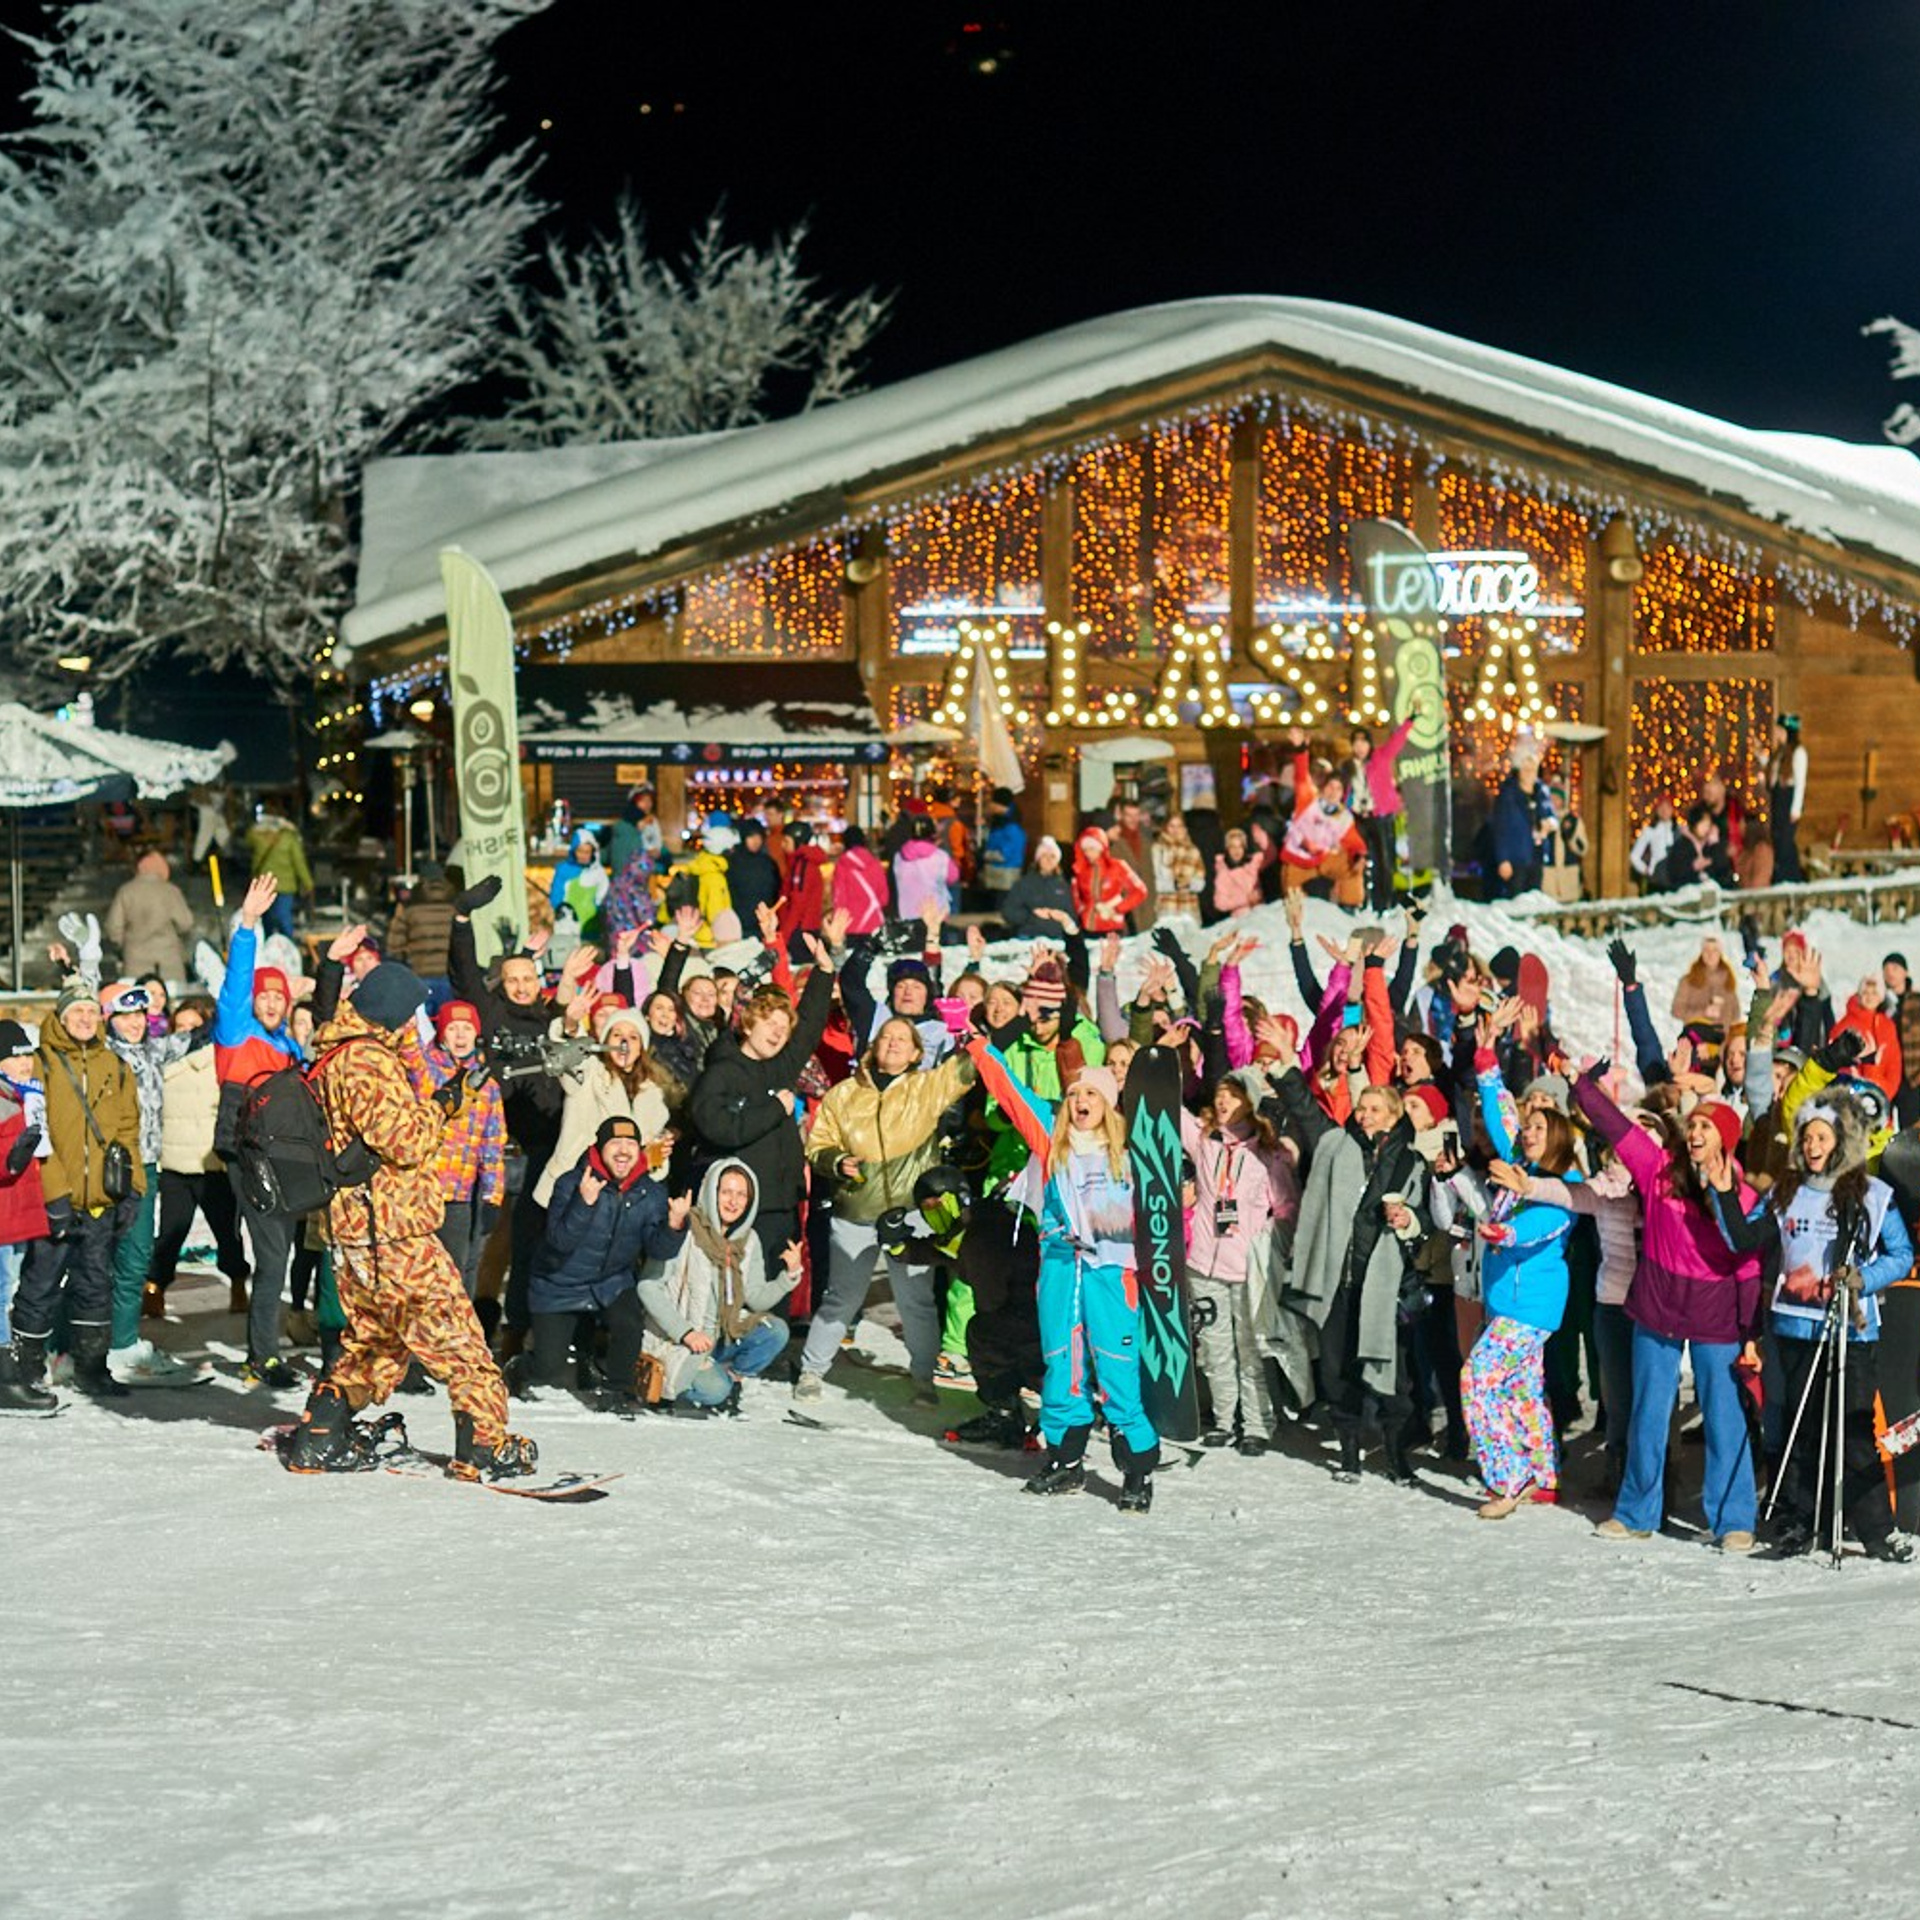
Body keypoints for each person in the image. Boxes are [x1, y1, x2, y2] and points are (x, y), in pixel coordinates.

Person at [285, 962, 536, 1480]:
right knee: (463, 1343)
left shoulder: (336, 1053)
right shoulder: (366, 1062)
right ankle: (484, 1447)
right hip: (394, 1231)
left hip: (357, 1233)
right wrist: (444, 1106)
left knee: (373, 1343)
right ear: (396, 1014)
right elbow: (405, 1140)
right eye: (412, 1014)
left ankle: (321, 1434)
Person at [1710, 1092, 1913, 1560]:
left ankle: (1877, 1532)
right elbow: (1744, 1239)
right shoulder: (1786, 1191)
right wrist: (1723, 1193)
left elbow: (1901, 1255)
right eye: (1807, 1137)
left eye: (1822, 1136)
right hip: (1794, 1328)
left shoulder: (1873, 1194)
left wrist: (1863, 1279)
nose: (1813, 1144)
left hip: (1852, 1332)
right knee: (1802, 1432)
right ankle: (1801, 1523)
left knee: (1854, 1434)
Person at [1573, 1067, 1765, 1552]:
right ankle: (1637, 1510)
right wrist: (1580, 1086)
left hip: (1716, 1312)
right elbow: (1615, 1126)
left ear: (1726, 1140)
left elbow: (1748, 1269)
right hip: (1658, 1304)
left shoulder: (1743, 1197)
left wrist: (1750, 1332)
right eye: (1693, 1124)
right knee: (1649, 1412)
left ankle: (1734, 1518)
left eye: (1708, 1127)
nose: (1697, 1132)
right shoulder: (1659, 1169)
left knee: (1724, 1416)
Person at [963, 1044, 1160, 1511]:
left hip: (1112, 1272)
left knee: (1116, 1366)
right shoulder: (1051, 1145)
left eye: (1092, 1093)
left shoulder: (1130, 1153)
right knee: (1062, 1364)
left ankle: (1135, 1470)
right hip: (1059, 1267)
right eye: (1074, 1094)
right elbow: (1011, 1093)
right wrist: (978, 1045)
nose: (1081, 1101)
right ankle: (1066, 1461)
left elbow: (1166, 1207)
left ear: (1109, 1103)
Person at [796, 1013, 976, 1403]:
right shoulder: (843, 1094)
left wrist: (976, 1034)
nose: (893, 1042)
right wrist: (836, 1160)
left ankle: (924, 1379)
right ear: (873, 1047)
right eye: (886, 1037)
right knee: (842, 1296)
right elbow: (817, 1145)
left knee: (916, 1300)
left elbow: (967, 1068)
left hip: (912, 1214)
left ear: (915, 1053)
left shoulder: (927, 1088)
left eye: (902, 1039)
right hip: (856, 1210)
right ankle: (811, 1371)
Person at [1461, 1028, 1581, 1518]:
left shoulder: (1562, 1182)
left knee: (1479, 1378)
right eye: (1526, 1128)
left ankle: (1506, 1478)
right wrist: (1486, 1055)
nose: (1527, 1133)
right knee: (1521, 1389)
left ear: (1556, 1135)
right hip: (1505, 1302)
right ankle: (1542, 1475)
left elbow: (1547, 1223)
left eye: (1537, 1128)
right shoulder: (1516, 1164)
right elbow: (1498, 1111)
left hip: (1530, 1309)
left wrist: (1504, 1234)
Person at [9, 981, 144, 1400]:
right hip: (56, 1198)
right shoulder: (42, 1064)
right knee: (40, 1284)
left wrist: (133, 1188)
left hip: (102, 1200)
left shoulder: (116, 1067)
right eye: (76, 1012)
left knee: (94, 1285)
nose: (85, 1019)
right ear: (61, 1018)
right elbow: (38, 1135)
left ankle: (91, 1367)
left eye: (91, 1012)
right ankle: (26, 1367)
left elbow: (128, 1132)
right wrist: (54, 1195)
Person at [521, 1115, 686, 1402]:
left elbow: (659, 1251)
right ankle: (519, 1367)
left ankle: (619, 1390)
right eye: (615, 1143)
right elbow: (559, 1242)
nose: (623, 1151)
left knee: (629, 1322)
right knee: (547, 1372)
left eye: (630, 1143)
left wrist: (674, 1227)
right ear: (599, 1147)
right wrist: (583, 1204)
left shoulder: (652, 1192)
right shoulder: (571, 1183)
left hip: (610, 1281)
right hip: (560, 1283)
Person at [688, 956, 836, 1274]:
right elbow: (717, 1128)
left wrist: (824, 972)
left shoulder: (779, 1068)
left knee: (777, 1293)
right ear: (749, 1023)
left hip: (782, 1204)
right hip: (740, 1206)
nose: (778, 1034)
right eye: (771, 1025)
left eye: (783, 1030)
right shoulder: (722, 1072)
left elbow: (808, 1028)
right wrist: (773, 1109)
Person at [214, 875, 305, 1385]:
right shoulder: (235, 1031)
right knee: (272, 1256)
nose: (271, 1004)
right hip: (247, 1157)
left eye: (279, 998)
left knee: (279, 1257)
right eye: (264, 997)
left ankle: (265, 1347)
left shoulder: (291, 1050)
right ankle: (262, 1355)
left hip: (286, 1161)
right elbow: (235, 982)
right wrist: (248, 924)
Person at [1182, 1072, 1298, 1454]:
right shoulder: (1204, 1143)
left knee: (1250, 1349)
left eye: (1233, 1095)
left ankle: (1257, 1424)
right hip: (1203, 1264)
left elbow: (1286, 1208)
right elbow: (1171, 1113)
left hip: (1248, 1269)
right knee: (1214, 1349)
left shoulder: (1268, 1155)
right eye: (1219, 1094)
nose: (1223, 1101)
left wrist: (1266, 1241)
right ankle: (1223, 1419)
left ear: (1249, 1102)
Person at [100, 982, 204, 1386]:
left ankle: (123, 1340)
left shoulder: (154, 1051)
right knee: (96, 1258)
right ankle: (89, 1339)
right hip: (109, 1170)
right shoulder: (103, 1053)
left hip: (146, 1168)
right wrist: (86, 968)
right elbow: (80, 1021)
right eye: (124, 1016)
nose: (133, 1024)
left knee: (136, 1257)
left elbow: (204, 1031)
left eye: (139, 1015)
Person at [637, 1159, 800, 1412]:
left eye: (741, 1194)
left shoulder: (748, 1240)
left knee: (775, 1331)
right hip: (680, 1339)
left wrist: (788, 1277)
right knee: (714, 1390)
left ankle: (731, 1378)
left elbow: (756, 1298)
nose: (733, 1202)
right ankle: (697, 1386)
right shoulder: (685, 1229)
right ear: (712, 1192)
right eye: (726, 1192)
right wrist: (686, 1332)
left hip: (721, 1336)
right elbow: (648, 1287)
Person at [409, 1000, 506, 1301]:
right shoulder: (426, 1070)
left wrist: (493, 1195)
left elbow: (493, 1144)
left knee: (457, 1271)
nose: (460, 1036)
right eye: (453, 1028)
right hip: (421, 1189)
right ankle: (414, 1343)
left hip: (461, 1196)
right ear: (441, 1032)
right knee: (420, 1272)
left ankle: (453, 1342)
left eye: (467, 1029)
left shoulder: (487, 1085)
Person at [0, 1022, 52, 1411]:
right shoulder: (5, 1100)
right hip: (4, 1215)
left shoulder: (23, 1097)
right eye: (13, 1055)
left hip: (17, 1213)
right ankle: (5, 1380)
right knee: (2, 1295)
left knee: (8, 1291)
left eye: (25, 1054)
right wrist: (8, 1161)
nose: (22, 1063)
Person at [1343, 716, 1417, 910]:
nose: (1360, 747)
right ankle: (1363, 900)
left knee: (1385, 861)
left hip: (1381, 816)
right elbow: (1346, 792)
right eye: (1356, 743)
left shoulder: (1380, 758)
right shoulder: (1349, 767)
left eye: (1363, 742)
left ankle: (1385, 902)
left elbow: (1396, 741)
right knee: (1361, 859)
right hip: (1358, 817)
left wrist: (1410, 721)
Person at [104, 850, 195, 983]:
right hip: (168, 959)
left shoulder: (126, 891)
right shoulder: (171, 891)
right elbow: (186, 923)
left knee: (137, 998)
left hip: (135, 959)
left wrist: (121, 945)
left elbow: (113, 928)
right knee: (170, 997)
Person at [1485, 739, 1554, 900]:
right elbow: (1500, 829)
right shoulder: (1508, 795)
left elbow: (1551, 815)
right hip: (1516, 858)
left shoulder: (1541, 792)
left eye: (1533, 769)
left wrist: (1549, 823)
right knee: (1516, 899)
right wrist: (1503, 860)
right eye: (1526, 769)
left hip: (1536, 856)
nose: (1530, 773)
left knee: (1535, 898)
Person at [384, 862, 461, 999]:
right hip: (451, 977)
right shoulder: (457, 906)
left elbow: (394, 946)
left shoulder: (409, 906)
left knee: (422, 1019)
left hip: (419, 974)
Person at [246, 807, 311, 939]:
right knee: (284, 917)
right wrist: (308, 882)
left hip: (264, 885)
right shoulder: (289, 838)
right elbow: (299, 862)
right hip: (285, 885)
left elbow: (247, 839)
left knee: (266, 918)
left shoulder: (258, 836)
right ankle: (288, 944)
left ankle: (268, 943)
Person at [1071, 824, 1146, 935]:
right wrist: (1081, 910)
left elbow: (1140, 891)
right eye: (1085, 849)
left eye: (1091, 848)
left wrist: (1117, 909)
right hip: (1087, 928)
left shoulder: (1118, 866)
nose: (1087, 853)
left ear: (1101, 847)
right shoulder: (1081, 869)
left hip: (1112, 927)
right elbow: (1075, 895)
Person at [999, 836, 1077, 938]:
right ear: (1038, 859)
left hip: (1057, 939)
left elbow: (1072, 916)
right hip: (1028, 937)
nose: (1048, 860)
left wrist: (1062, 917)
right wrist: (1032, 915)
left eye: (1052, 856)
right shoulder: (1024, 884)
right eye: (1044, 855)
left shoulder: (1064, 886)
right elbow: (1008, 911)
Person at [893, 814, 957, 921]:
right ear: (932, 834)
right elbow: (953, 877)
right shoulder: (940, 857)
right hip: (936, 915)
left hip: (907, 914)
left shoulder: (899, 857)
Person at [830, 824, 890, 935]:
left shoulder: (842, 866)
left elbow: (839, 900)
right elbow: (884, 898)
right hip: (875, 924)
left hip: (850, 926)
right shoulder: (875, 864)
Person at [1109, 798, 1159, 931]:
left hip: (1146, 902)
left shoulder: (1146, 841)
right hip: (1125, 901)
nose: (1133, 819)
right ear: (1121, 815)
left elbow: (1150, 873)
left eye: (1136, 815)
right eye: (1129, 815)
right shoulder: (1114, 842)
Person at [1153, 814, 1205, 922]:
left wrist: (1189, 883)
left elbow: (1201, 883)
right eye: (1172, 826)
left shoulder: (1193, 851)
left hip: (1189, 909)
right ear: (1166, 828)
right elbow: (1155, 882)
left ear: (1184, 829)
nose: (1175, 830)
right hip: (1167, 908)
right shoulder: (1158, 849)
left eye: (1179, 826)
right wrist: (1175, 884)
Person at [1211, 825, 1263, 919]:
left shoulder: (1252, 867)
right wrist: (1245, 899)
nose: (1237, 851)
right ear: (1227, 849)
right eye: (1232, 847)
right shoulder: (1224, 873)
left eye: (1240, 846)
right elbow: (1220, 903)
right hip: (1240, 919)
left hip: (1259, 914)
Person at [1630, 796, 1679, 892]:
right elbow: (1634, 856)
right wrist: (1645, 869)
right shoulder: (1650, 830)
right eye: (1661, 808)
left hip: (1674, 878)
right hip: (1656, 879)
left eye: (1668, 807)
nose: (1664, 811)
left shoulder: (1679, 830)